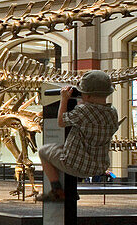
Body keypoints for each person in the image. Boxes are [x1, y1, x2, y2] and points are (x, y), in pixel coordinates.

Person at [38, 70, 121, 202]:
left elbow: (61, 121)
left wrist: (64, 99)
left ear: (87, 96)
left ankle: (57, 190)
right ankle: (71, 191)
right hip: (99, 167)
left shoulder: (83, 111)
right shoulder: (112, 112)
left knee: (43, 152)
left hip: (74, 165)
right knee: (64, 148)